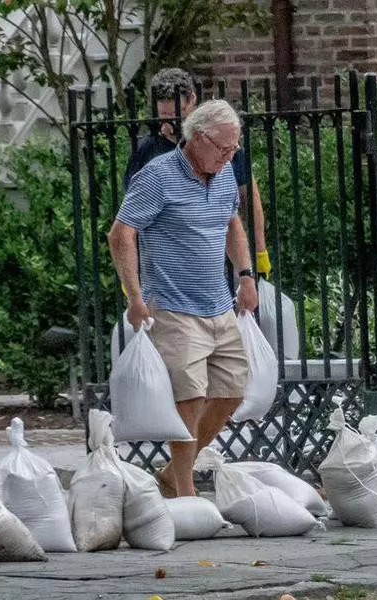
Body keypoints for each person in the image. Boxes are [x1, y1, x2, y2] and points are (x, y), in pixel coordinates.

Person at [108, 99, 258, 497]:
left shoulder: (223, 175)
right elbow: (121, 234)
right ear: (197, 137)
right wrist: (134, 295)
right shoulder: (156, 177)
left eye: (234, 149)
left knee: (231, 390)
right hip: (173, 306)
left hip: (218, 303)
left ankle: (174, 473)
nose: (229, 157)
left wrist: (246, 276)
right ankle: (186, 489)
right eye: (223, 148)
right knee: (189, 396)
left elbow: (233, 225)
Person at [124, 67, 271, 279]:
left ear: (192, 100)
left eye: (176, 113)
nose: (169, 122)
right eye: (163, 115)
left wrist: (259, 252)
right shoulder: (146, 152)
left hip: (219, 258)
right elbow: (131, 216)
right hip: (167, 268)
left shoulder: (223, 144)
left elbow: (248, 197)